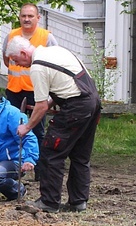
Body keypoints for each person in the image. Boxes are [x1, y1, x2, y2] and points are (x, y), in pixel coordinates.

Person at [6, 36, 102, 213]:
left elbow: (41, 106)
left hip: (76, 107)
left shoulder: (38, 66)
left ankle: (49, 202)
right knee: (80, 155)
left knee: (51, 152)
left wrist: (26, 128)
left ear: (22, 52)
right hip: (93, 102)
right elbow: (67, 84)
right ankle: (78, 202)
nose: (18, 65)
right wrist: (49, 104)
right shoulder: (56, 51)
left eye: (16, 60)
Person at [1, 3, 57, 180]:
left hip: (36, 91)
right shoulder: (11, 35)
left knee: (38, 131)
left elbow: (54, 62)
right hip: (14, 89)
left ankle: (39, 170)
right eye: (23, 16)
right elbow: (6, 58)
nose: (26, 19)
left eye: (30, 16)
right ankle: (14, 168)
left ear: (37, 18)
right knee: (12, 129)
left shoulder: (46, 37)